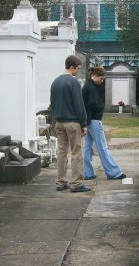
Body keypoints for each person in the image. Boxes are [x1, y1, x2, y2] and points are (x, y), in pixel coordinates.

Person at [50, 55, 91, 192]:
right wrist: (84, 123)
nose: (78, 71)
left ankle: (61, 182)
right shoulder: (73, 83)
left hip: (59, 122)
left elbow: (52, 104)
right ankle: (76, 184)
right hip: (73, 123)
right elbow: (79, 105)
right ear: (72, 67)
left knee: (61, 152)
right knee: (76, 153)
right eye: (77, 69)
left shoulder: (55, 81)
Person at [82, 66, 126, 180]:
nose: (102, 82)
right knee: (102, 147)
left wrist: (85, 123)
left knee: (87, 148)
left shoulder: (87, 86)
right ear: (95, 75)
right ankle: (113, 172)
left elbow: (86, 106)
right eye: (101, 79)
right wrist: (100, 106)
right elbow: (91, 105)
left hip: (88, 121)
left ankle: (88, 173)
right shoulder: (91, 88)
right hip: (94, 120)